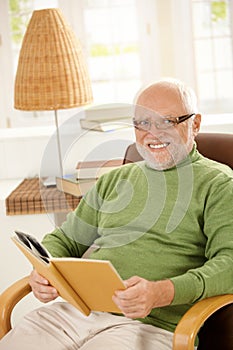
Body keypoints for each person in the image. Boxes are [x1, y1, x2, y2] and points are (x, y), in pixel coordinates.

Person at [1, 78, 233, 350]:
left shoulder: (219, 184)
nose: (152, 133)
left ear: (194, 124)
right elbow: (66, 239)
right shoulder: (116, 179)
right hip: (76, 312)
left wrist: (162, 292)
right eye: (142, 123)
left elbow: (228, 263)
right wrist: (42, 271)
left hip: (151, 325)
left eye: (167, 121)